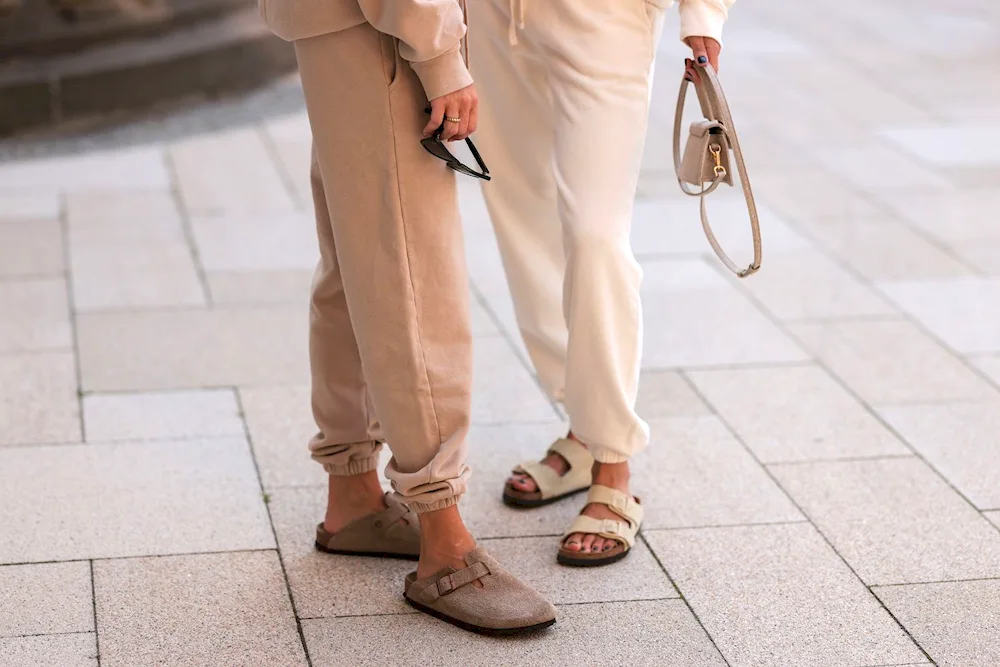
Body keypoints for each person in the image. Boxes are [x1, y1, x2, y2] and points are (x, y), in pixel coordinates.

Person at [258, 0, 556, 634]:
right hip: (382, 29)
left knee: (356, 262)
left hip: (340, 24)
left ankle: (354, 496)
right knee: (412, 276)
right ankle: (443, 543)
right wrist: (441, 53)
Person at [468, 0, 734, 566]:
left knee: (595, 235)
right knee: (523, 220)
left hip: (605, 19)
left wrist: (704, 15)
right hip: (491, 17)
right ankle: (584, 428)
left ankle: (613, 459)